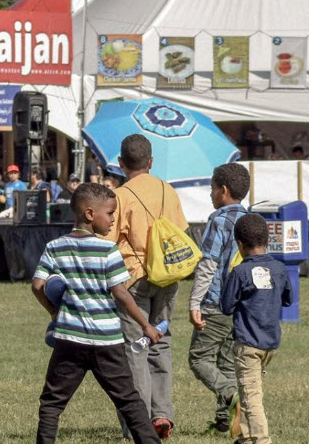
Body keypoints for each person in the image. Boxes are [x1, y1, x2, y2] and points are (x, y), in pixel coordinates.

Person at [30, 183, 163, 444]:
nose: (114, 219)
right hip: (106, 342)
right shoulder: (108, 250)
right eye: (111, 213)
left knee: (52, 403)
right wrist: (146, 326)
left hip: (69, 338)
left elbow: (37, 286)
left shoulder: (55, 247)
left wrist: (53, 312)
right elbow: (121, 293)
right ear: (90, 214)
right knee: (129, 401)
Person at [107, 133, 188, 438]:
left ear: (120, 164)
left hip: (135, 279)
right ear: (151, 162)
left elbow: (108, 241)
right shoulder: (168, 190)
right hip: (168, 277)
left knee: (135, 349)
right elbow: (180, 230)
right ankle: (163, 414)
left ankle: (137, 423)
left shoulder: (120, 196)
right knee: (161, 342)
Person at [220, 214, 293, 444]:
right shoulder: (279, 269)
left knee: (252, 398)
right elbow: (288, 299)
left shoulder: (240, 272)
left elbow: (226, 306)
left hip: (248, 345)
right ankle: (245, 438)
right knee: (249, 389)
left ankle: (261, 440)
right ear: (268, 239)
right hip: (270, 345)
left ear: (240, 245)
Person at [188, 163, 249, 435]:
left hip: (215, 304)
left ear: (223, 190)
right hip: (241, 306)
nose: (210, 194)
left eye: (212, 188)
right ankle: (224, 424)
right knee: (225, 362)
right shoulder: (251, 220)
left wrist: (194, 303)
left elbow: (208, 264)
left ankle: (228, 392)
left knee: (199, 359)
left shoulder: (219, 220)